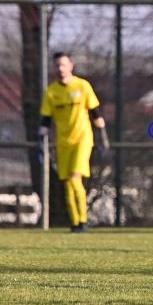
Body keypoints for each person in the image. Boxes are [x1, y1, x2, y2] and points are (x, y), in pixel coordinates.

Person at [38, 52, 108, 233]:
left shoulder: (82, 86)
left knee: (75, 178)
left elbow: (95, 112)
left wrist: (102, 136)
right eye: (57, 65)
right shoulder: (52, 91)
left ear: (71, 66)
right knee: (68, 183)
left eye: (63, 65)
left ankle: (83, 220)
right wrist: (41, 136)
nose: (60, 68)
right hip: (63, 143)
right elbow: (45, 118)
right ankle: (75, 222)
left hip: (82, 140)